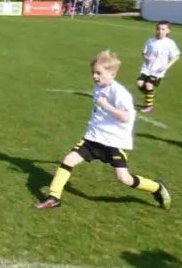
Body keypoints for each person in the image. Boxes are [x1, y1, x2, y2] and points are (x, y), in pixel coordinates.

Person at [35, 49, 170, 210]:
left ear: (112, 73)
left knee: (123, 178)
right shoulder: (99, 87)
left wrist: (106, 105)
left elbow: (125, 116)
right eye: (93, 72)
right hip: (93, 138)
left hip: (114, 142)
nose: (95, 76)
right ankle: (54, 197)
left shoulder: (119, 93)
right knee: (68, 160)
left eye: (99, 73)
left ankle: (157, 188)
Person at [136, 20, 181, 114]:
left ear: (168, 31)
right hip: (147, 68)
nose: (160, 31)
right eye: (158, 29)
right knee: (140, 84)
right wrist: (146, 57)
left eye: (163, 29)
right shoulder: (150, 41)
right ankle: (150, 94)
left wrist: (167, 66)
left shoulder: (170, 43)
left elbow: (176, 56)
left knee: (148, 85)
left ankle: (149, 106)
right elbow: (143, 53)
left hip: (158, 70)